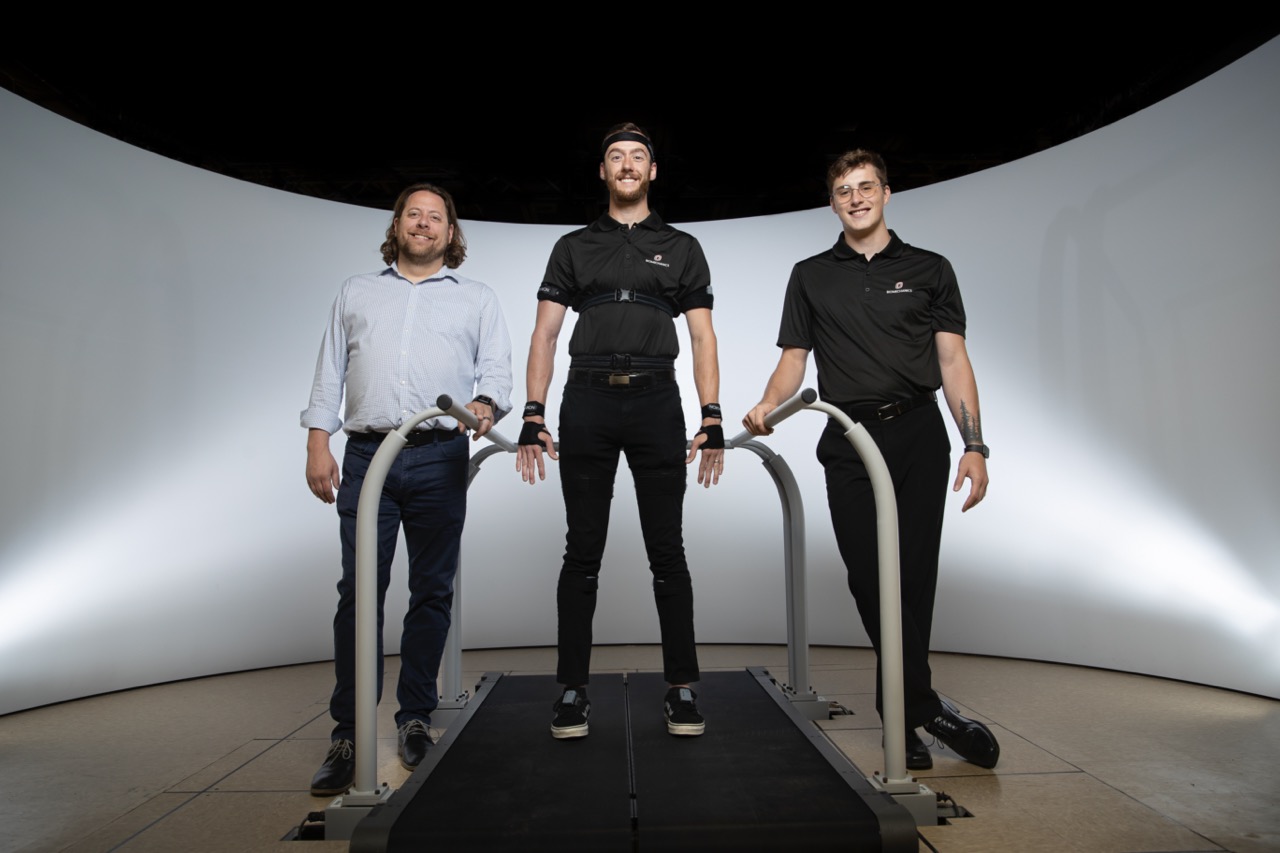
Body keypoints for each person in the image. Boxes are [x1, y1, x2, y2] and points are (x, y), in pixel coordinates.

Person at [743, 150, 998, 771]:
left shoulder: (931, 269)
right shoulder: (810, 274)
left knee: (913, 579)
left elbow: (952, 361)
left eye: (865, 187)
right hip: (849, 438)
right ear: (832, 202)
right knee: (868, 576)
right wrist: (766, 404)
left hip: (918, 434)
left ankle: (903, 714)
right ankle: (921, 705)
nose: (855, 198)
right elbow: (794, 361)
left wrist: (975, 444)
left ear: (886, 192)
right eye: (842, 191)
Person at [301, 184, 512, 796]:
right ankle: (347, 732)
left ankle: (415, 717)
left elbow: (495, 371)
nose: (423, 224)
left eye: (435, 217)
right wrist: (319, 441)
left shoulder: (477, 299)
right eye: (413, 215)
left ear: (451, 232)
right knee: (359, 594)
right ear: (397, 226)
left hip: (440, 454)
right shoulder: (357, 291)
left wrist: (485, 402)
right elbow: (330, 371)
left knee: (431, 591)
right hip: (367, 455)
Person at [516, 123, 724, 739]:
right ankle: (573, 692)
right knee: (582, 552)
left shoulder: (682, 246)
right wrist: (533, 411)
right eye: (616, 157)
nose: (627, 165)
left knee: (669, 552)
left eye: (638, 157)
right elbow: (546, 334)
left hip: (659, 400)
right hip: (587, 400)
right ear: (603, 172)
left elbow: (703, 336)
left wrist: (711, 415)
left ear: (652, 171)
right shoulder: (574, 245)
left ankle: (681, 690)